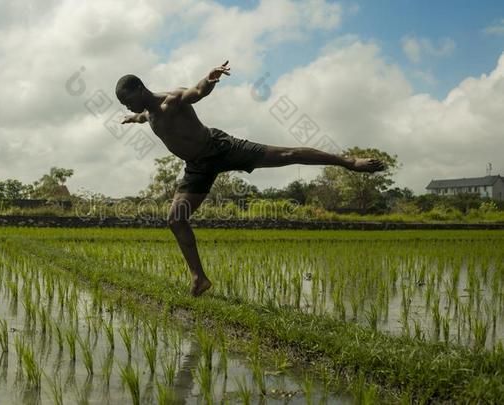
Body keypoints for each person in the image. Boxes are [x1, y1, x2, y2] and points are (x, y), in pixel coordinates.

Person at [116, 60, 385, 297]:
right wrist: (133, 117)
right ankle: (200, 278)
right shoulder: (148, 113)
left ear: (140, 89)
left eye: (128, 100)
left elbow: (195, 92)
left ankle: (349, 162)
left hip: (221, 148)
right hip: (197, 167)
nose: (127, 105)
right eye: (124, 104)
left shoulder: (171, 100)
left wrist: (209, 80)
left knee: (286, 154)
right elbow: (145, 116)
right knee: (176, 219)